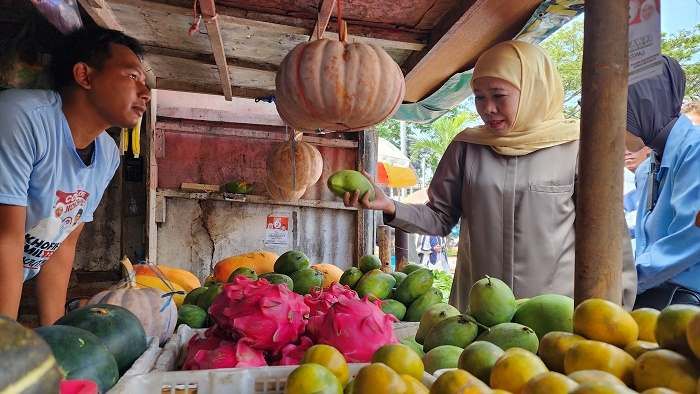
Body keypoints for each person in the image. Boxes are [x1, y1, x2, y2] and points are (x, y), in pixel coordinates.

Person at [346, 40, 637, 311]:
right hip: (478, 314)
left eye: (499, 96)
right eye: (479, 97)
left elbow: (609, 234)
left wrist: (620, 308)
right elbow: (440, 217)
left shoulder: (577, 148)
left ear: (534, 90)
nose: (488, 108)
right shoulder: (467, 148)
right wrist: (391, 207)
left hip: (554, 316)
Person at [0, 27, 150, 324]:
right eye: (132, 76)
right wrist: (6, 340)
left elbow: (61, 246)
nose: (145, 93)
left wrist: (56, 334)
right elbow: (6, 240)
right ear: (84, 75)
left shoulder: (106, 154)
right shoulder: (21, 117)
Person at [627, 56, 700, 309]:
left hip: (687, 307)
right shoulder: (649, 165)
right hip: (655, 299)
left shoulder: (696, 150)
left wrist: (623, 280)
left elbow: (691, 236)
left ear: (642, 107)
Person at [623, 147, 651, 248]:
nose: (627, 152)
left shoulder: (661, 178)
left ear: (648, 148)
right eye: (622, 147)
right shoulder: (612, 185)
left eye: (632, 145)